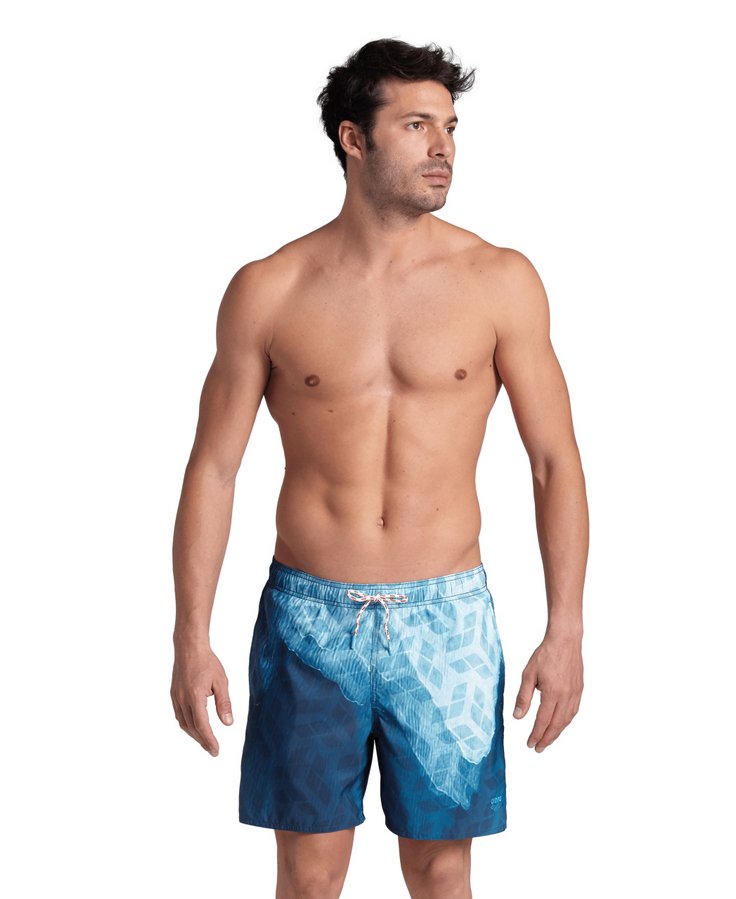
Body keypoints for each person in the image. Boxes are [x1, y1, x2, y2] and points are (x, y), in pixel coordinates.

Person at [170, 37, 588, 899]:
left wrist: (567, 629)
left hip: (449, 621)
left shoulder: (499, 280)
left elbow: (554, 461)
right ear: (353, 139)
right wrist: (190, 635)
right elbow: (213, 468)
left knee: (441, 874)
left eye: (450, 127)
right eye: (417, 125)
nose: (443, 147)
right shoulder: (271, 287)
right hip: (308, 620)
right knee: (309, 877)